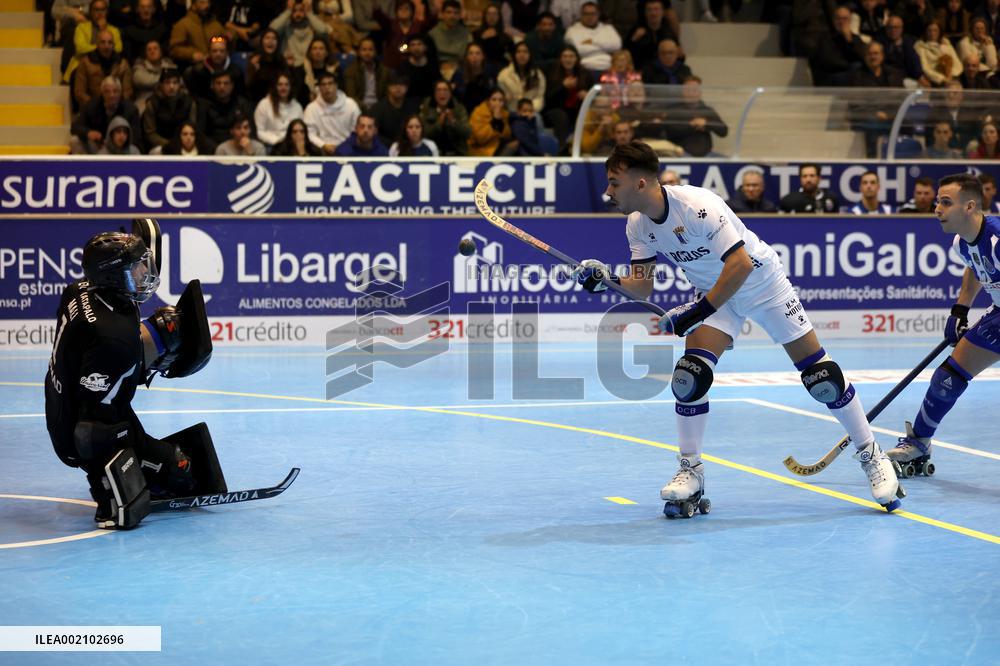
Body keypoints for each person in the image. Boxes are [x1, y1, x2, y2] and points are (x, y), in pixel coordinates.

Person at [574, 140, 902, 512]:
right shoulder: (638, 225)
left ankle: (872, 454)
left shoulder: (698, 206)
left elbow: (741, 265)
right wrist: (605, 278)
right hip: (716, 294)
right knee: (689, 377)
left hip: (763, 285)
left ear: (641, 183)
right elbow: (642, 285)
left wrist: (697, 313)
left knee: (821, 377)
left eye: (614, 183)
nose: (607, 191)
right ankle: (691, 471)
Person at [45, 223, 218, 530]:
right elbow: (98, 418)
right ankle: (109, 497)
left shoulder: (80, 289)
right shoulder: (117, 340)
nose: (144, 273)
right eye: (137, 269)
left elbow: (95, 356)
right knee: (181, 467)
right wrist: (111, 475)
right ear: (113, 276)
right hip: (80, 429)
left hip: (63, 396)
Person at [887, 174, 1000, 478]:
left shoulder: (998, 239)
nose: (937, 208)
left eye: (946, 202)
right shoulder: (961, 243)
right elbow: (975, 269)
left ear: (970, 207)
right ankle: (919, 443)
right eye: (938, 201)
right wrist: (960, 310)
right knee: (947, 378)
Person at [71, 75, 141, 154]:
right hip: (99, 146)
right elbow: (75, 127)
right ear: (102, 93)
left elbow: (136, 137)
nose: (112, 95)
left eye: (115, 91)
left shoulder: (131, 109)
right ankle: (87, 166)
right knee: (74, 140)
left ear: (120, 93)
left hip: (122, 148)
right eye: (107, 91)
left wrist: (119, 140)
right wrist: (88, 133)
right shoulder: (92, 106)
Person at [543, 45, 592, 148]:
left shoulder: (585, 74)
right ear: (560, 59)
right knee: (561, 116)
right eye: (564, 56)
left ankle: (584, 149)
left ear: (576, 58)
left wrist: (587, 95)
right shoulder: (551, 73)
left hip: (576, 110)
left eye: (571, 56)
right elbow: (548, 99)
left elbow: (594, 95)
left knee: (587, 115)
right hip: (555, 110)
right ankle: (562, 149)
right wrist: (563, 86)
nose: (568, 59)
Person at [303, 70, 361, 154]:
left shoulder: (350, 105)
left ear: (336, 85)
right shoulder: (311, 108)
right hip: (320, 150)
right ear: (319, 88)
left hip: (348, 148)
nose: (327, 87)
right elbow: (309, 133)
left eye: (330, 83)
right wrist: (323, 145)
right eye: (323, 84)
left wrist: (344, 147)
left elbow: (356, 130)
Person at [73, 28, 133, 109]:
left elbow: (127, 91)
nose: (106, 46)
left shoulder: (123, 64)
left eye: (110, 42)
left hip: (117, 107)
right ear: (97, 44)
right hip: (92, 108)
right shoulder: (85, 63)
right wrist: (95, 105)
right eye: (103, 42)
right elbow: (79, 92)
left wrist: (116, 104)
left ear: (114, 45)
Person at [196, 69, 256, 148]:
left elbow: (252, 130)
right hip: (213, 149)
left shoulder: (242, 104)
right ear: (212, 85)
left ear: (232, 86)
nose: (222, 87)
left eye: (226, 83)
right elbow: (201, 134)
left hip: (239, 147)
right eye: (218, 83)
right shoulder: (204, 105)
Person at [184, 34, 247, 101]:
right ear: (209, 52)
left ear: (227, 53)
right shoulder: (197, 71)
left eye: (222, 51)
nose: (218, 54)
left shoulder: (236, 72)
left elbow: (241, 96)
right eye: (214, 51)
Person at [564, 1, 622, 75]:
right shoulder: (572, 31)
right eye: (586, 14)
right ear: (581, 15)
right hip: (584, 69)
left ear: (598, 14)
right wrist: (605, 46)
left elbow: (617, 46)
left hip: (609, 67)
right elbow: (578, 51)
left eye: (593, 13)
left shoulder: (608, 28)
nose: (590, 17)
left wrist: (591, 42)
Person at [270, 0, 330, 66]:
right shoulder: (286, 25)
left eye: (301, 10)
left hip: (308, 66)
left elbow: (323, 31)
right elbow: (273, 29)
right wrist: (288, 11)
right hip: (289, 65)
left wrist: (309, 13)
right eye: (294, 11)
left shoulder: (311, 25)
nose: (298, 14)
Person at [169, 0, 226, 69]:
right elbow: (174, 49)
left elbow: (224, 43)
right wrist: (191, 54)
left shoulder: (216, 25)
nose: (207, 6)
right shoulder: (183, 25)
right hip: (192, 66)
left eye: (208, 2)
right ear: (193, 6)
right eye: (202, 2)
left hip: (216, 64)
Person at [419, 79, 471, 155]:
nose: (442, 93)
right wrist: (439, 123)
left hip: (457, 153)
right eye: (438, 90)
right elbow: (423, 133)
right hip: (432, 153)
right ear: (434, 94)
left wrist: (453, 122)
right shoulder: (426, 109)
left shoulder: (459, 109)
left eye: (445, 90)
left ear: (450, 93)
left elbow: (467, 133)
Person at [253, 72, 302, 148]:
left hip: (291, 146)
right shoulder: (264, 104)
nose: (283, 88)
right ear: (274, 87)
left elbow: (301, 130)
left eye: (286, 85)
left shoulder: (297, 106)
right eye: (280, 84)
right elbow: (259, 131)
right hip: (270, 145)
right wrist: (276, 141)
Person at [370, 72, 419, 147]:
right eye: (394, 84)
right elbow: (374, 133)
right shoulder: (377, 109)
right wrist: (393, 146)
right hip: (384, 149)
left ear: (407, 88)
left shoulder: (413, 108)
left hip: (409, 147)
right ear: (388, 87)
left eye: (402, 85)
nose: (398, 87)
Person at [343, 37, 390, 111]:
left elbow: (387, 95)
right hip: (358, 107)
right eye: (364, 50)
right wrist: (364, 108)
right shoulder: (351, 71)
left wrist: (379, 107)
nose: (367, 53)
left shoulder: (384, 71)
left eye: (370, 50)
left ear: (375, 52)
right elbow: (351, 96)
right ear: (358, 52)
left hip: (380, 107)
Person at [497, 41, 545, 112]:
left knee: (537, 118)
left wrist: (530, 110)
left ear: (530, 55)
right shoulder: (504, 75)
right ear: (514, 55)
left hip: (532, 111)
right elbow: (501, 99)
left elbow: (539, 97)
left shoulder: (538, 74)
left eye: (525, 52)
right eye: (518, 52)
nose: (522, 55)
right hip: (512, 112)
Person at [468, 88, 516, 155]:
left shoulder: (503, 113)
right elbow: (480, 139)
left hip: (497, 146)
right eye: (494, 100)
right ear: (488, 101)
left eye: (500, 100)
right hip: (482, 150)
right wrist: (494, 122)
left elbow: (507, 135)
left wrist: (500, 123)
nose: (497, 103)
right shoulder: (478, 112)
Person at [132, 39, 175, 112]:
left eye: (155, 48)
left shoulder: (170, 65)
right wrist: (166, 80)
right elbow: (144, 81)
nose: (152, 51)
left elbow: (179, 81)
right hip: (145, 100)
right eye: (149, 50)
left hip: (168, 99)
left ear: (161, 52)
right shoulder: (139, 67)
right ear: (146, 54)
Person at [915, 20, 962, 87]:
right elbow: (925, 68)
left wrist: (950, 75)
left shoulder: (947, 44)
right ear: (925, 32)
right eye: (929, 30)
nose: (932, 33)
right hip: (934, 80)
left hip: (951, 77)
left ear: (939, 31)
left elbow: (957, 63)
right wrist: (942, 79)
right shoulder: (920, 47)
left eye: (935, 30)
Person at [428, 0, 472, 71]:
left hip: (460, 68)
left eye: (456, 13)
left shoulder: (466, 33)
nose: (452, 16)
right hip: (437, 68)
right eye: (449, 12)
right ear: (442, 14)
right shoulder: (432, 34)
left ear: (460, 15)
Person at [473, 3, 514, 71]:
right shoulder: (476, 34)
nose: (491, 17)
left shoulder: (505, 36)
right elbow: (474, 51)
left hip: (500, 66)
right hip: (481, 65)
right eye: (488, 14)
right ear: (485, 16)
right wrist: (482, 39)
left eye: (495, 14)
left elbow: (512, 54)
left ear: (499, 17)